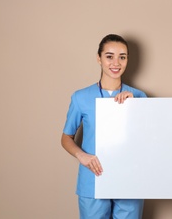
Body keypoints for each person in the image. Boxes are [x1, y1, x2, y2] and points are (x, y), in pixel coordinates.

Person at [61, 34, 146, 219]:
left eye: (122, 57)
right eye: (109, 56)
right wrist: (81, 155)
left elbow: (149, 139)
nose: (116, 62)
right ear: (99, 58)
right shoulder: (80, 97)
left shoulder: (139, 96)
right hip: (93, 179)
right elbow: (66, 137)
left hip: (129, 180)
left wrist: (137, 109)